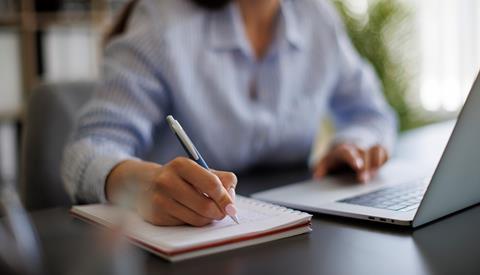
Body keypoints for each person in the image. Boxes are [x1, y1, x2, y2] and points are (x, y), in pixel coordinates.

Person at [61, 0, 397, 227]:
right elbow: (88, 149)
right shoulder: (161, 22)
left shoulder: (317, 17)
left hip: (293, 233)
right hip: (185, 242)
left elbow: (371, 114)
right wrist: (139, 181)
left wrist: (354, 145)